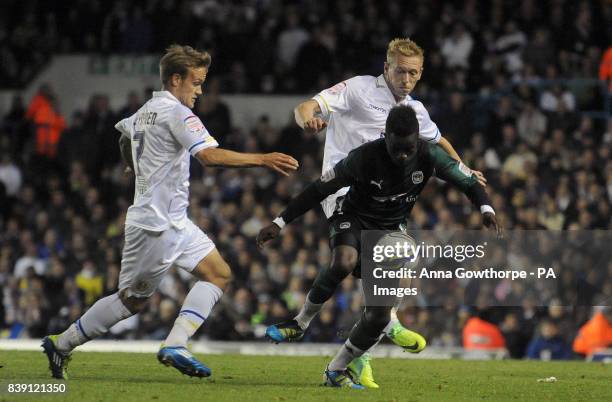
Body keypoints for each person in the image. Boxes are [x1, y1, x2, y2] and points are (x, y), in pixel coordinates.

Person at [42, 44, 298, 380]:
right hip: (155, 226)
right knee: (130, 303)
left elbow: (124, 135)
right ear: (175, 79)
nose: (199, 90)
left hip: (175, 222)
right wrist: (262, 159)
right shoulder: (177, 113)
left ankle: (176, 343)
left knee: (219, 273)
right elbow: (208, 156)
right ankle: (61, 343)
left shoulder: (145, 110)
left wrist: (130, 165)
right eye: (195, 82)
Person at [266, 37, 486, 388]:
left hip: (387, 200)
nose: (406, 79)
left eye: (413, 73)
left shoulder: (413, 112)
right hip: (343, 192)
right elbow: (307, 106)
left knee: (386, 264)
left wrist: (464, 168)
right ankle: (369, 323)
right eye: (400, 71)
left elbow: (438, 141)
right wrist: (308, 120)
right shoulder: (357, 90)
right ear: (386, 67)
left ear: (421, 73)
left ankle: (372, 336)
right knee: (352, 262)